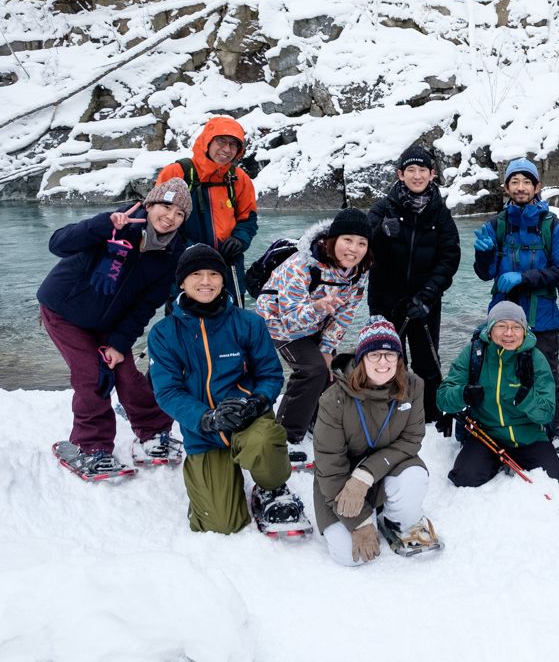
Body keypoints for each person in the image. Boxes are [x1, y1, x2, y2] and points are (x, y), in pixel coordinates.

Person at [148, 244, 305, 535]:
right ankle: (210, 483)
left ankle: (271, 487)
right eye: (196, 274)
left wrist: (256, 403)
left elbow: (270, 374)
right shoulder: (164, 333)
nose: (206, 281)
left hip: (247, 419)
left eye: (213, 274)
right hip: (203, 430)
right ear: (182, 281)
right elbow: (167, 392)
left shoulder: (249, 323)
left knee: (265, 440)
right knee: (221, 524)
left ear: (223, 279)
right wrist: (207, 418)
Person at [37, 179, 191, 477]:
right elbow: (58, 244)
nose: (170, 216)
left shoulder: (173, 253)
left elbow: (144, 307)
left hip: (108, 321)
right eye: (165, 206)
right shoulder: (117, 225)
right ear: (149, 205)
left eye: (180, 213)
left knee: (127, 374)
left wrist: (120, 345)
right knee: (92, 375)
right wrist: (102, 226)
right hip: (63, 311)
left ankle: (153, 431)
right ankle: (91, 446)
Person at [313, 317, 439, 566]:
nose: (384, 362)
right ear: (361, 359)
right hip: (340, 484)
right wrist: (359, 523)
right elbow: (329, 468)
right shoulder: (333, 399)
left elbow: (412, 440)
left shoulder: (413, 387)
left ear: (399, 359)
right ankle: (366, 516)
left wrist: (367, 474)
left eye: (391, 354)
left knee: (414, 476)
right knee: (349, 556)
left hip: (385, 470)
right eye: (375, 355)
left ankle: (393, 518)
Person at [255, 208, 372, 464]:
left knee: (330, 371)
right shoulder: (300, 266)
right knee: (311, 370)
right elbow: (291, 321)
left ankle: (314, 424)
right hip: (278, 322)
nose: (354, 249)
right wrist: (318, 307)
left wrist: (328, 349)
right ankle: (286, 436)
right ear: (332, 240)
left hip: (317, 322)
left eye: (362, 243)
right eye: (347, 240)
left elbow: (346, 313)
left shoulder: (358, 271)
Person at [472, 158, 559, 447]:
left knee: (546, 373)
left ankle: (553, 429)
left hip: (542, 315)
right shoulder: (496, 225)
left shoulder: (552, 225)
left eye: (526, 181)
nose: (520, 187)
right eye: (514, 181)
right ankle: (503, 425)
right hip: (503, 316)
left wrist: (524, 278)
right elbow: (484, 274)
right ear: (506, 187)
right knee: (500, 371)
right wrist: (484, 255)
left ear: (537, 186)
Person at [368, 145, 461, 435]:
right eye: (411, 170)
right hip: (385, 298)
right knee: (386, 359)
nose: (417, 175)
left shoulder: (440, 213)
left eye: (423, 170)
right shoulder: (384, 207)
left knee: (427, 362)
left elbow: (450, 257)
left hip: (424, 301)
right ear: (400, 174)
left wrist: (429, 294)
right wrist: (380, 233)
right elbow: (360, 247)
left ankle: (432, 418)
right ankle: (389, 414)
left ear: (432, 174)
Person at [436, 302, 559, 489]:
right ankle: (494, 463)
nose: (509, 333)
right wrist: (463, 394)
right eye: (501, 326)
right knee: (464, 479)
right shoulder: (474, 354)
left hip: (528, 436)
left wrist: (527, 400)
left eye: (516, 327)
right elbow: (442, 398)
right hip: (486, 435)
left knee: (558, 482)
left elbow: (546, 413)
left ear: (524, 331)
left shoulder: (535, 358)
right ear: (490, 329)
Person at [156, 116, 258, 303]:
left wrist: (239, 240)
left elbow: (248, 219)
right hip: (184, 267)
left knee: (232, 326)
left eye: (233, 145)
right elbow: (158, 221)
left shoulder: (239, 179)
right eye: (221, 141)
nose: (227, 149)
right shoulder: (176, 173)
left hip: (227, 267)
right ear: (207, 140)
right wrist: (191, 250)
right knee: (183, 326)